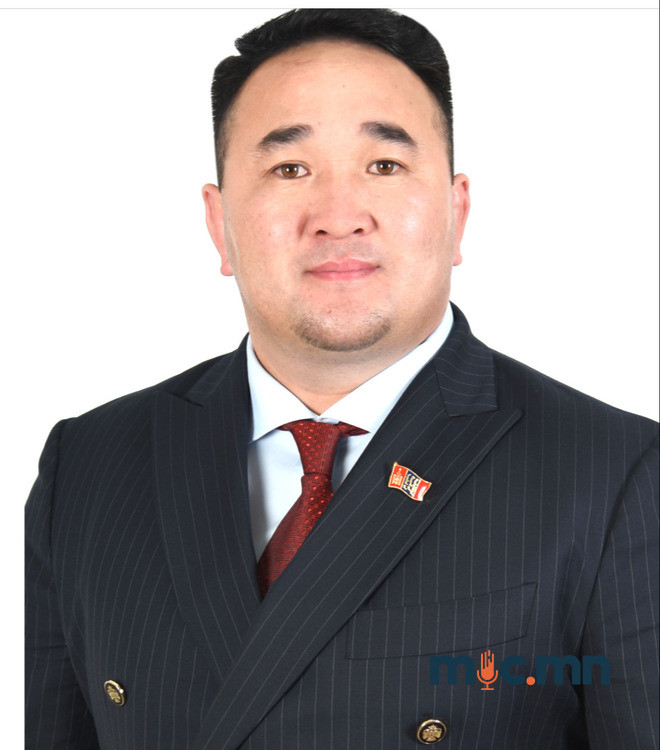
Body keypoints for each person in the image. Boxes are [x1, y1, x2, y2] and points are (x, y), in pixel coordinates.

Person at [25, 9, 658, 750]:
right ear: (219, 224)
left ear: (456, 213)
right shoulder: (89, 465)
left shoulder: (614, 476)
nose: (338, 216)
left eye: (384, 165)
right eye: (289, 168)